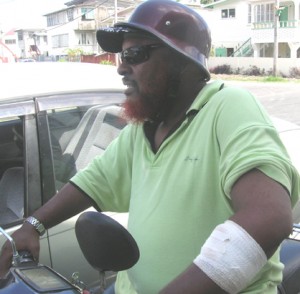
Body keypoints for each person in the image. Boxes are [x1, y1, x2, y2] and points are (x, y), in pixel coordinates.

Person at [1, 0, 299, 293]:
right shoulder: (144, 127)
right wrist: (33, 225)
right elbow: (93, 182)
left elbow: (268, 217)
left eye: (134, 54)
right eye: (121, 56)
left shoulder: (227, 106)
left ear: (182, 61)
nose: (121, 68)